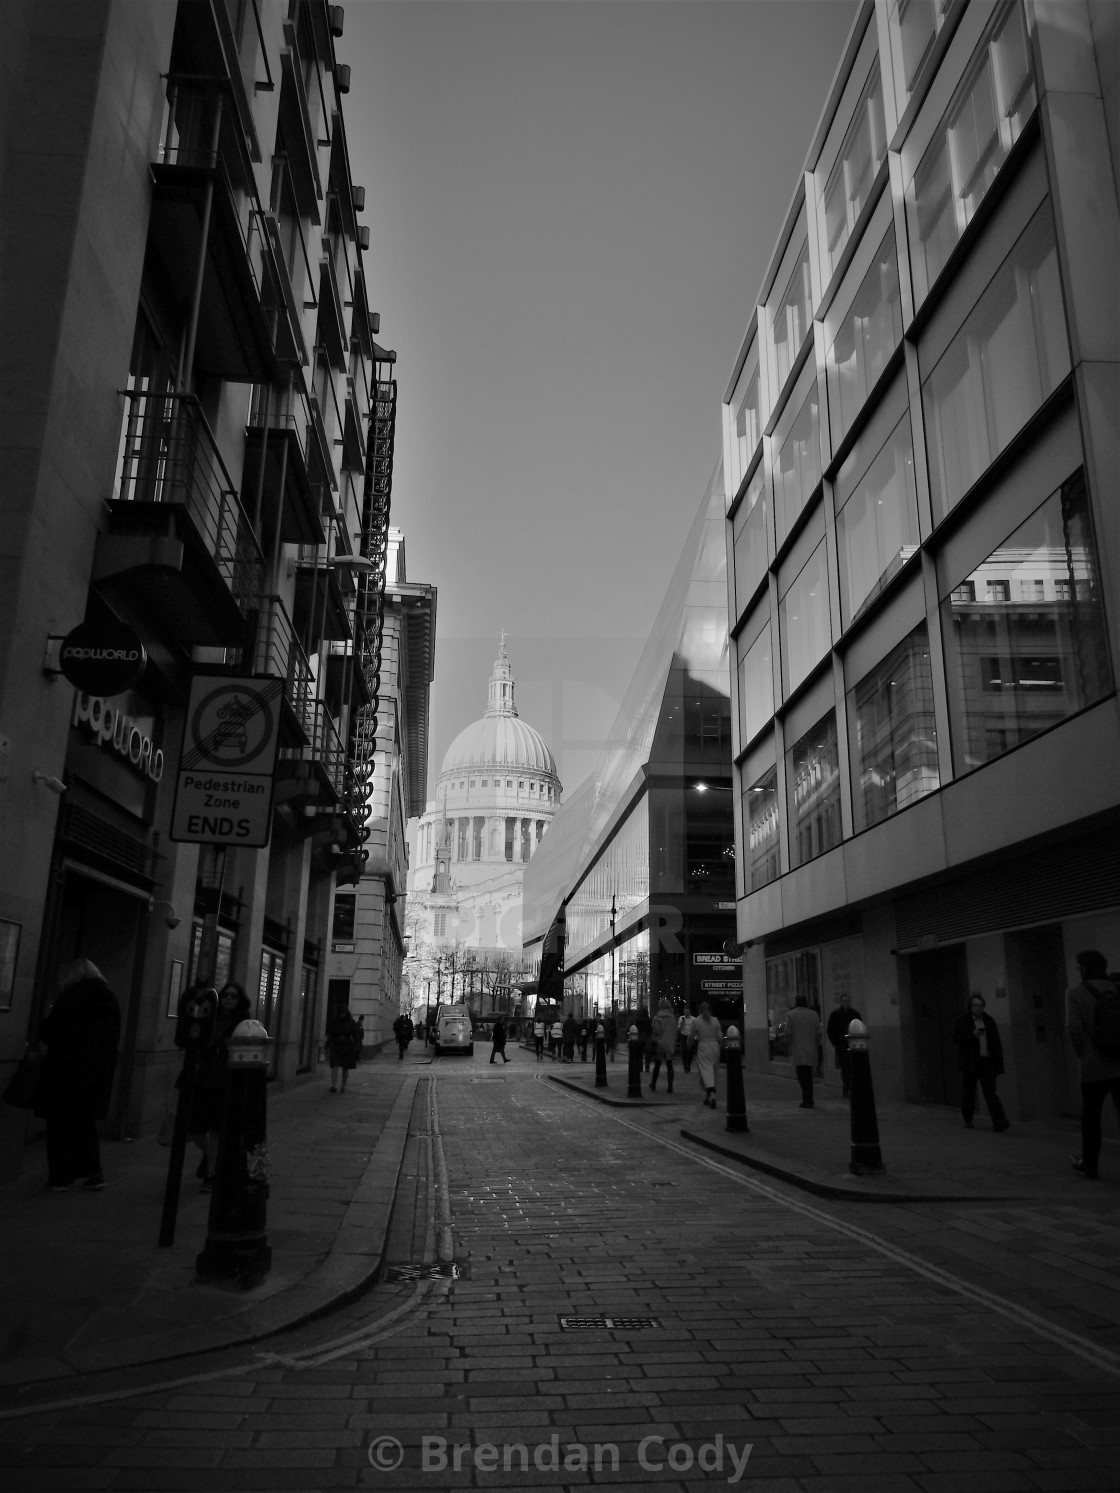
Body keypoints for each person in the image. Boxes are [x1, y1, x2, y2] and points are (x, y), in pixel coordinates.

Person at [36, 958, 121, 1192]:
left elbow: (50, 1030)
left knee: (59, 1126)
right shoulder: (109, 999)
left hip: (65, 1071)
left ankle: (61, 1176)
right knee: (85, 1125)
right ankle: (94, 1173)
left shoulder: (70, 997)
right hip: (95, 1074)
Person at [1066, 949, 1120, 1179]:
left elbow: (1075, 1029)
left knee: (1091, 1115)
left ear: (1085, 968)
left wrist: (1084, 1053)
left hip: (1093, 1065)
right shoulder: (1116, 988)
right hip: (1119, 1062)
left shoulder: (1076, 993)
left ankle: (1090, 1163)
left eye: (1079, 967)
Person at [953, 994, 1009, 1132]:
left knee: (990, 1092)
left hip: (986, 1062)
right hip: (971, 1061)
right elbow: (956, 1038)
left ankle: (999, 1121)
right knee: (969, 1092)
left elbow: (996, 1043)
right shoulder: (963, 1021)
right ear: (970, 1007)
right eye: (975, 1005)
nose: (978, 1008)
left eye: (980, 1005)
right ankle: (968, 1118)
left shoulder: (989, 1021)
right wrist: (972, 1036)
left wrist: (998, 1064)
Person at [783, 995, 821, 1109]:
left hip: (798, 1048)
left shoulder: (790, 1015)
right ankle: (809, 1098)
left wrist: (788, 1044)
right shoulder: (814, 1015)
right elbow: (818, 1032)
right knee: (809, 1074)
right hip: (810, 1048)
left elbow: (788, 1032)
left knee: (801, 1075)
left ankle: (807, 1099)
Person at [826, 992, 862, 1098]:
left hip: (854, 1045)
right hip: (842, 1045)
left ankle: (853, 1087)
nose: (846, 1003)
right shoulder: (835, 1015)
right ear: (841, 1002)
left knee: (853, 1067)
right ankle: (847, 1087)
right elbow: (830, 1030)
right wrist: (836, 1042)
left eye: (847, 1000)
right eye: (844, 1001)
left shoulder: (855, 1014)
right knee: (845, 1068)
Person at [693, 1002, 723, 1109]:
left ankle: (712, 1095)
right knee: (713, 1072)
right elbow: (720, 1036)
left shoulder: (696, 1021)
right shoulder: (715, 1021)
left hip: (703, 1047)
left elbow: (691, 1036)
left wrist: (688, 1046)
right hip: (714, 1046)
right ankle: (707, 1097)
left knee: (705, 1072)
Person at [327, 1004, 361, 1091]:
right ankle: (335, 1086)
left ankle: (342, 1086)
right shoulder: (347, 1022)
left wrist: (356, 1045)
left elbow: (355, 1035)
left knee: (344, 1067)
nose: (342, 1014)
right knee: (336, 1066)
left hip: (344, 1046)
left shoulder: (346, 1022)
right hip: (341, 1045)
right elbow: (331, 1035)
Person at [648, 998, 677, 1093]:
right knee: (669, 1065)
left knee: (657, 1065)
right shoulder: (672, 1017)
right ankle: (670, 1086)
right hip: (669, 1043)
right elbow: (674, 1030)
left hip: (659, 1043)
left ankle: (653, 1084)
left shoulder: (658, 1018)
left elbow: (656, 1031)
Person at [678, 1008, 696, 1073]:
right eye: (685, 1011)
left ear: (689, 1012)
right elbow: (679, 1028)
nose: (686, 1013)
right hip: (684, 1035)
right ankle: (685, 1066)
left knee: (690, 1051)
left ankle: (688, 1065)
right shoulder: (681, 1018)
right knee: (684, 1051)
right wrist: (682, 1023)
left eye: (687, 1011)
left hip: (691, 1036)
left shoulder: (693, 1019)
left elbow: (695, 1028)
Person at [635, 1006, 652, 1072]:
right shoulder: (649, 1020)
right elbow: (650, 1029)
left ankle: (640, 1067)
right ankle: (647, 1067)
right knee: (647, 1054)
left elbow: (636, 1029)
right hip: (647, 1037)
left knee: (640, 1054)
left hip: (640, 1037)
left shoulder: (638, 1020)